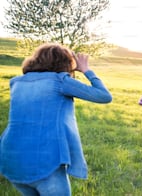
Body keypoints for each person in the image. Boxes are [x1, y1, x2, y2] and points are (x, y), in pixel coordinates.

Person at [0, 43, 112, 196]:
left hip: (11, 160)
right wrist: (86, 70)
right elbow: (104, 96)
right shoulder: (60, 81)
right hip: (45, 162)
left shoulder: (17, 82)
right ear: (64, 62)